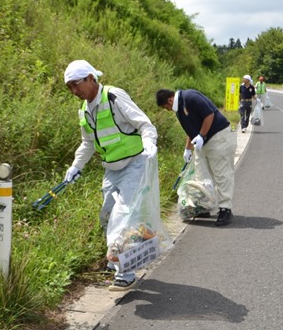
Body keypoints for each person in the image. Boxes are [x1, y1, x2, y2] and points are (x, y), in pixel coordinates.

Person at [63, 59, 158, 291]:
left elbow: (144, 124)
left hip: (135, 164)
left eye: (77, 84)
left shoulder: (113, 96)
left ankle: (125, 273)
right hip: (111, 169)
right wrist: (76, 166)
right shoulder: (84, 111)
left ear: (91, 78)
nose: (75, 91)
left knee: (123, 217)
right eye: (70, 88)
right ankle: (119, 254)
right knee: (107, 215)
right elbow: (88, 143)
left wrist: (150, 143)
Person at [156, 89, 236, 226]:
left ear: (169, 100)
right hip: (202, 143)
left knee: (221, 174)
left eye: (166, 107)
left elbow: (209, 115)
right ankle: (203, 206)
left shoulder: (190, 97)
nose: (167, 110)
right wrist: (188, 149)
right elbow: (190, 129)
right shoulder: (179, 109)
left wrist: (202, 135)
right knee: (202, 176)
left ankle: (225, 208)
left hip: (218, 137)